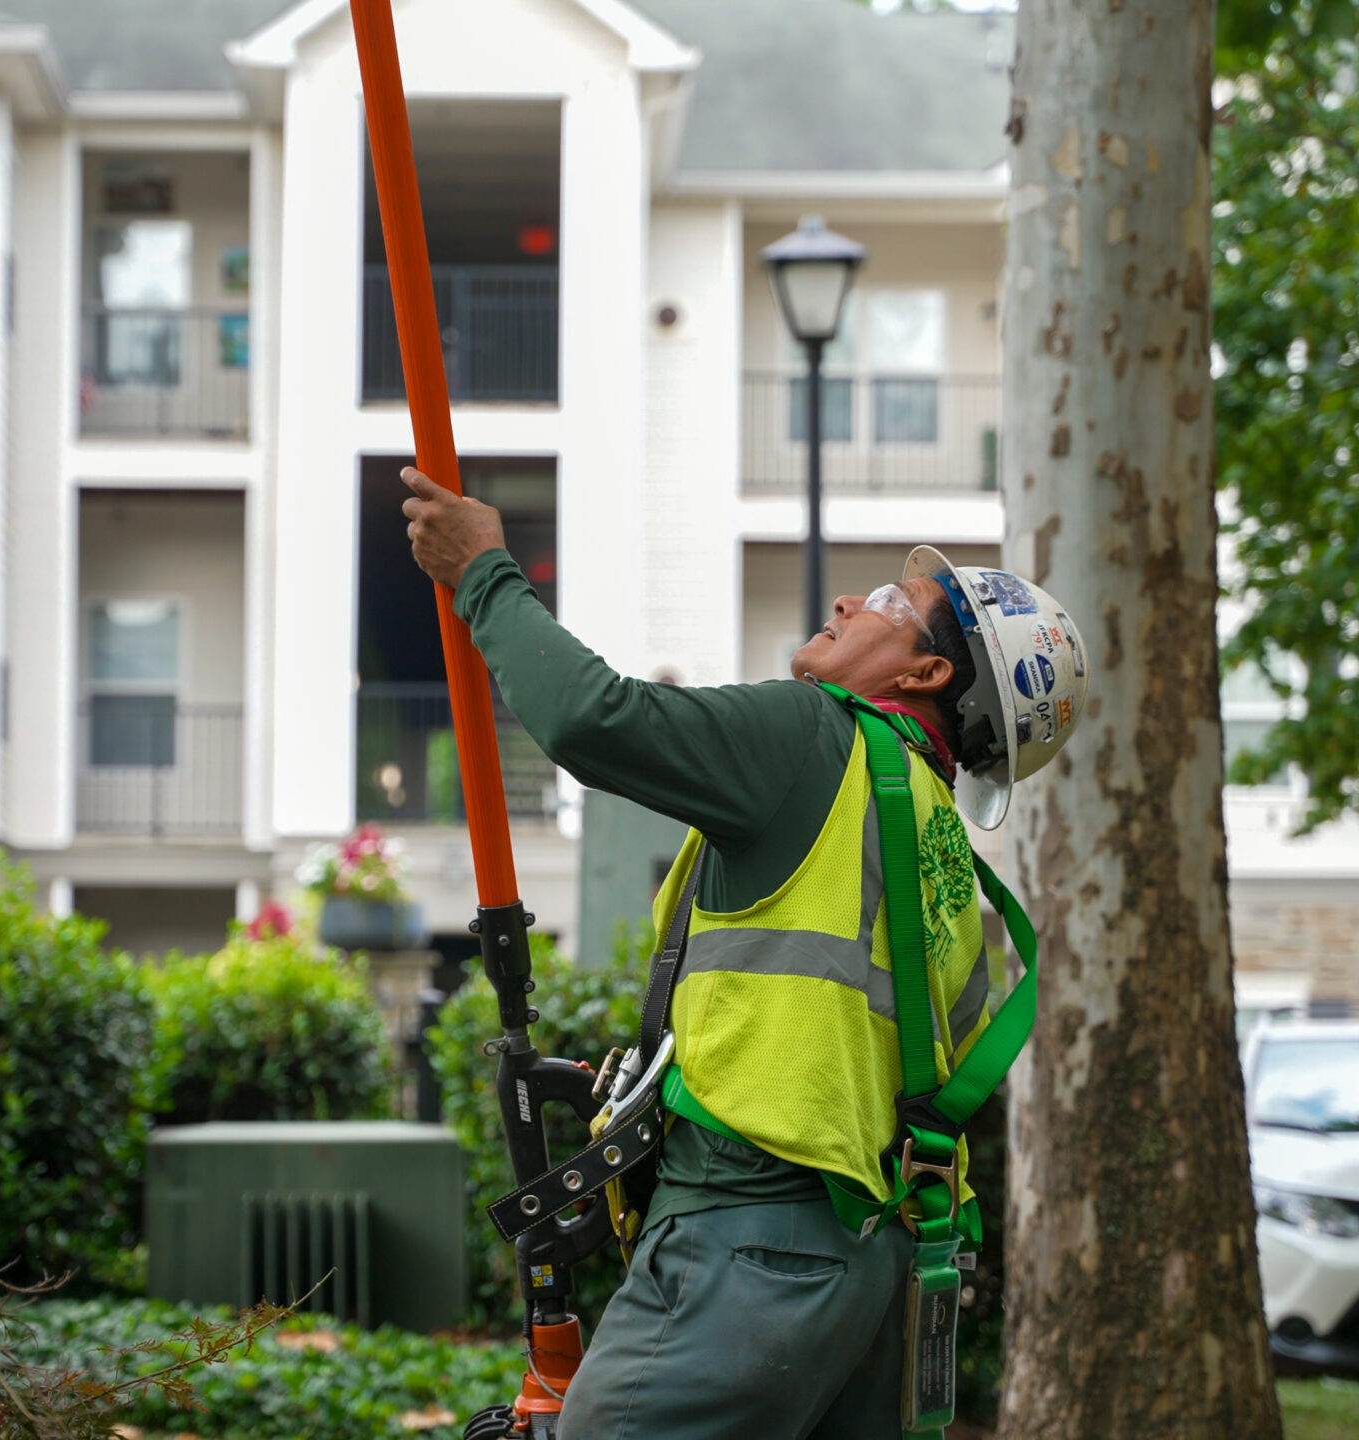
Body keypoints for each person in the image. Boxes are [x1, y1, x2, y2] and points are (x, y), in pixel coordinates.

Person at [400, 467, 1088, 1440]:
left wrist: (483, 574)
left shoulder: (818, 741)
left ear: (925, 675)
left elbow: (592, 719)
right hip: (879, 1265)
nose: (849, 600)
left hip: (747, 1243)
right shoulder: (940, 850)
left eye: (890, 604)